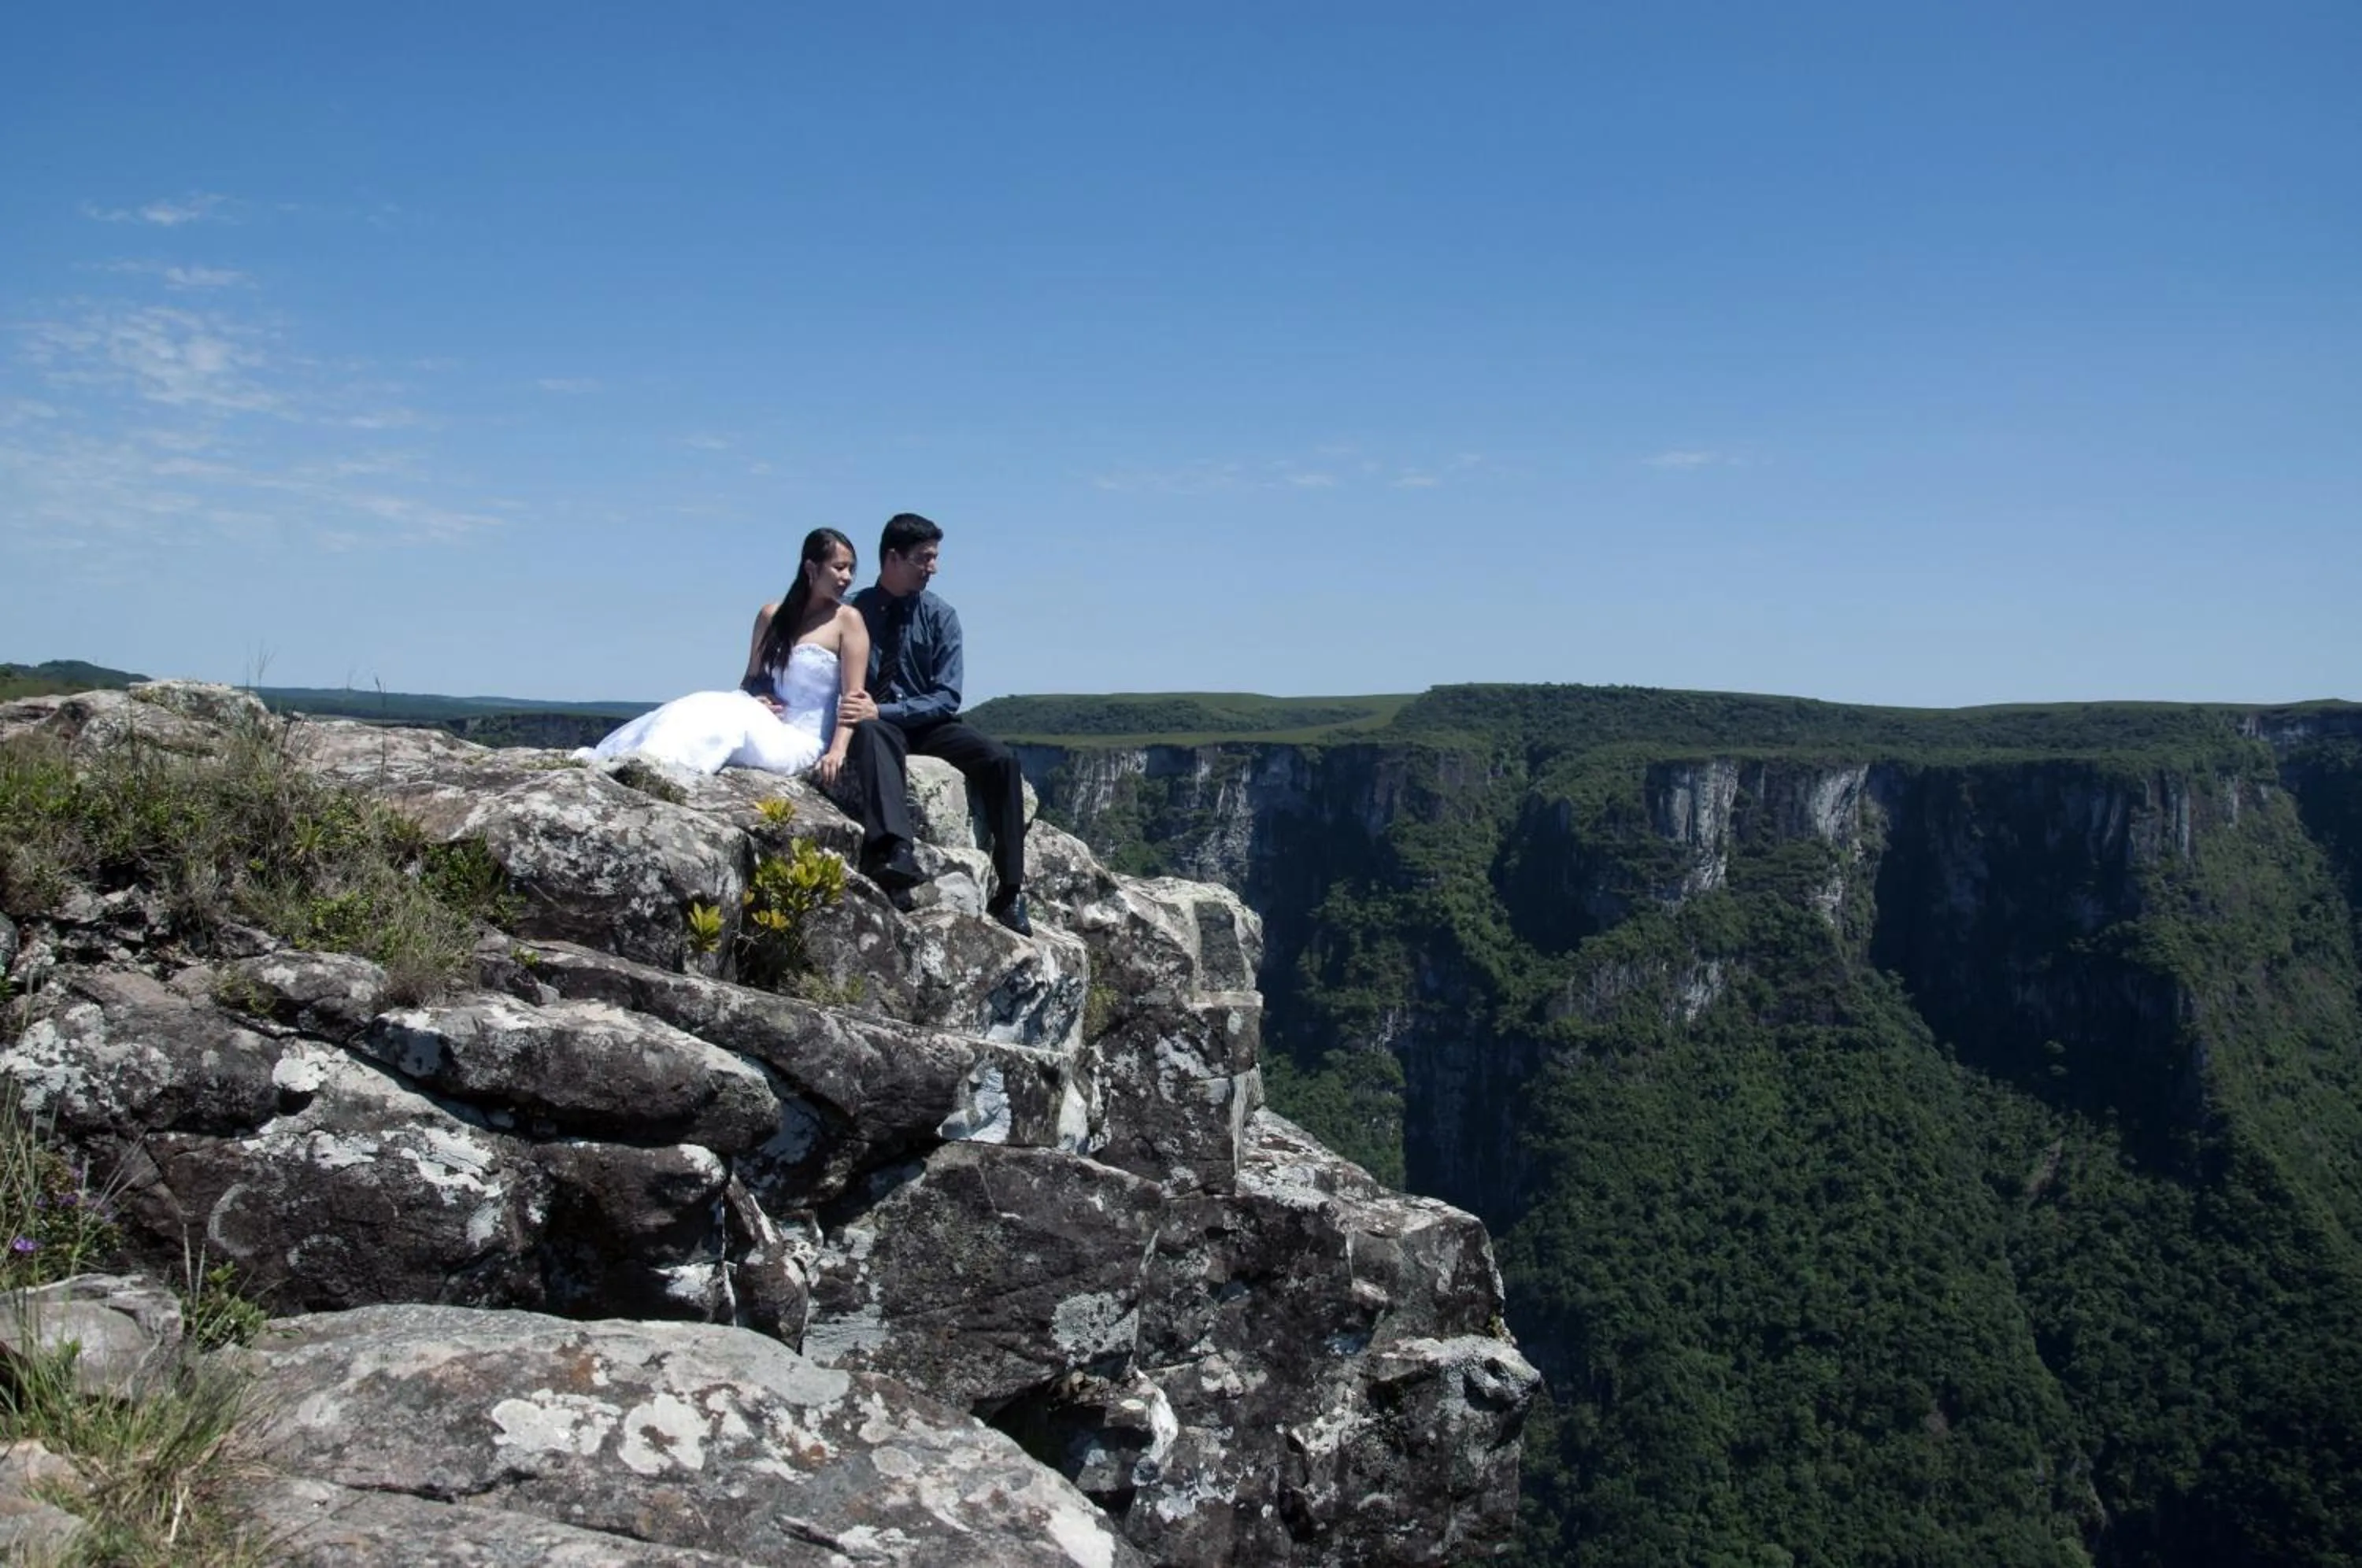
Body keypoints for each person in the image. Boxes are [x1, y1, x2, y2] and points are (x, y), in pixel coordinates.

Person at [838, 512, 1031, 934]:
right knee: (871, 734)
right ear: (893, 558)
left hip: (926, 723)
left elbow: (947, 696)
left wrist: (883, 710)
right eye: (924, 558)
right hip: (876, 726)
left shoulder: (941, 616)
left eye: (934, 558)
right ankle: (894, 852)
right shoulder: (855, 613)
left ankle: (1012, 891)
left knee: (1002, 760)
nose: (933, 568)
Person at [577, 528, 870, 781]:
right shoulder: (772, 615)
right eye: (839, 567)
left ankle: (661, 766)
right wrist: (757, 698)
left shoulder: (848, 621)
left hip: (803, 740)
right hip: (764, 718)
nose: (847, 577)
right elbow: (751, 679)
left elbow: (853, 698)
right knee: (704, 703)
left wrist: (837, 751)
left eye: (851, 569)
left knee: (732, 725)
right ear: (811, 568)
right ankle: (641, 758)